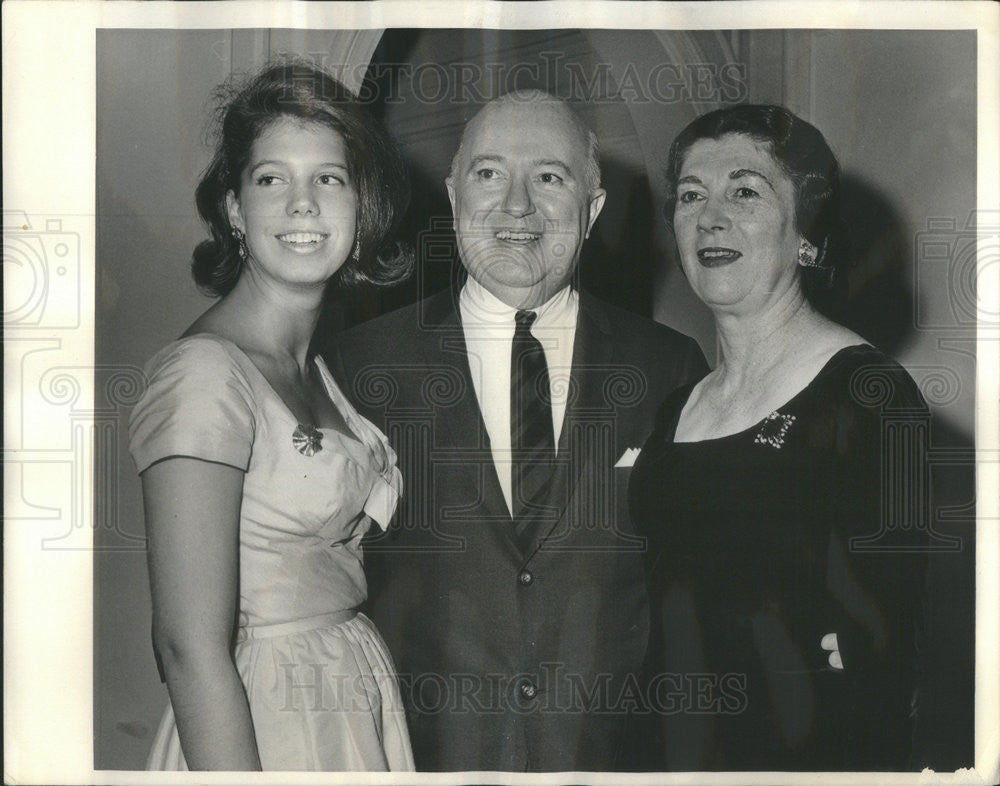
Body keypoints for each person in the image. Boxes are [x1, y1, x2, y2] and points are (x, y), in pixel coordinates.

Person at [326, 90, 708, 771]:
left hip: (610, 761)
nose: (518, 207)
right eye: (490, 174)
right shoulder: (357, 368)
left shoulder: (670, 367)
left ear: (591, 212)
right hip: (419, 760)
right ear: (453, 197)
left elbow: (693, 605)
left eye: (550, 178)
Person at [128, 62, 415, 771]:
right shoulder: (204, 374)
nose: (303, 203)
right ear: (233, 209)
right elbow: (186, 647)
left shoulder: (316, 368)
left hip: (348, 701)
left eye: (329, 177)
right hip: (266, 723)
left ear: (361, 204)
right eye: (270, 179)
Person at [626, 104, 929, 771]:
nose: (710, 216)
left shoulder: (867, 395)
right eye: (689, 196)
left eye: (744, 191)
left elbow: (891, 660)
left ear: (807, 235)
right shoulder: (677, 407)